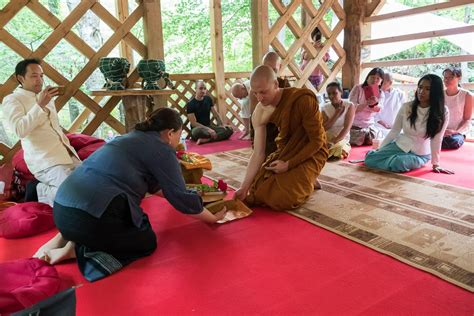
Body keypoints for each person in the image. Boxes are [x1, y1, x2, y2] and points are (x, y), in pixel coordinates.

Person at [33, 108, 227, 282]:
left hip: (61, 208)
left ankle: (67, 236)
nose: (178, 140)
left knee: (132, 214)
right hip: (89, 219)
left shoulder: (126, 138)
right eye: (179, 135)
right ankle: (77, 250)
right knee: (145, 240)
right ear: (169, 133)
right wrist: (210, 217)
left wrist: (184, 195)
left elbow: (159, 188)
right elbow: (180, 198)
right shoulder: (162, 149)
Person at [234, 65, 328, 210]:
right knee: (258, 186)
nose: (259, 98)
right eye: (255, 93)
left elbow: (317, 141)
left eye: (263, 92)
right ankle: (304, 176)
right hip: (287, 150)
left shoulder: (303, 100)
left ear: (276, 84)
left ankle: (309, 179)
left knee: (284, 197)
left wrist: (289, 165)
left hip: (313, 151)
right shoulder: (260, 112)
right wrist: (243, 188)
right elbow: (258, 153)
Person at [2, 59, 80, 207]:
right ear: (20, 78)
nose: (40, 80)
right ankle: (39, 191)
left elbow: (54, 129)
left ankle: (42, 190)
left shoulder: (45, 97)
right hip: (45, 160)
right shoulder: (12, 100)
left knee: (93, 184)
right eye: (34, 76)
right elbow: (20, 130)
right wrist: (40, 105)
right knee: (74, 195)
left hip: (67, 154)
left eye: (41, 75)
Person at [365, 74, 453, 174]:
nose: (421, 92)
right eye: (420, 87)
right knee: (369, 158)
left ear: (436, 92)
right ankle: (390, 160)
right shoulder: (407, 106)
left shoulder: (442, 111)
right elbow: (394, 131)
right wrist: (380, 149)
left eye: (427, 89)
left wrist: (435, 163)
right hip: (400, 145)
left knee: (398, 162)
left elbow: (437, 138)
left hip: (420, 153)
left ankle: (395, 161)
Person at [260, 52, 291, 157]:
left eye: (274, 70)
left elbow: (289, 109)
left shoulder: (285, 84)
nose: (271, 74)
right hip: (265, 127)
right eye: (267, 69)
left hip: (282, 127)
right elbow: (255, 116)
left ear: (280, 67)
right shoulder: (257, 88)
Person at [186, 81, 233, 145]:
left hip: (209, 126)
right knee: (196, 132)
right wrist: (208, 129)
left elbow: (215, 114)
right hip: (198, 129)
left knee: (229, 130)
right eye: (200, 88)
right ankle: (215, 137)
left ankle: (207, 140)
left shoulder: (208, 99)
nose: (203, 91)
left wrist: (222, 124)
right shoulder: (190, 103)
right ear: (195, 89)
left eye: (205, 88)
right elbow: (194, 123)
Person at [348, 67, 386, 146]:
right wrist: (366, 103)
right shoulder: (358, 88)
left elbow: (378, 109)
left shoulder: (381, 93)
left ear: (381, 82)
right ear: (367, 77)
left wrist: (374, 104)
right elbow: (352, 108)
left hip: (369, 125)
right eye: (372, 77)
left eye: (378, 78)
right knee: (357, 141)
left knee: (374, 141)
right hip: (355, 125)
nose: (374, 80)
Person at [322, 82, 355, 159]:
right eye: (329, 94)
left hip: (342, 138)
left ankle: (330, 153)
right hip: (327, 136)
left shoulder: (349, 105)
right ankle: (329, 153)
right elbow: (323, 128)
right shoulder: (325, 108)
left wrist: (333, 142)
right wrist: (336, 115)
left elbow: (347, 128)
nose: (331, 96)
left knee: (339, 147)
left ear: (341, 92)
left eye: (334, 93)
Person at [441, 66, 473, 149]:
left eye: (451, 77)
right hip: (442, 131)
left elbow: (467, 119)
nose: (447, 80)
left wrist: (454, 131)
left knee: (453, 141)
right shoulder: (440, 94)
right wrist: (441, 130)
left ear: (459, 78)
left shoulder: (467, 95)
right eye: (445, 78)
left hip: (457, 132)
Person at [375, 72, 405, 137]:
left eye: (384, 83)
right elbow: (374, 114)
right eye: (381, 83)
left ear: (390, 83)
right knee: (377, 134)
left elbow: (404, 111)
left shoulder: (400, 94)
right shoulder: (377, 94)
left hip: (395, 126)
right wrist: (383, 124)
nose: (381, 85)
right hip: (379, 126)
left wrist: (398, 124)